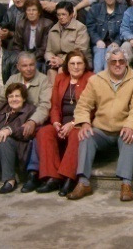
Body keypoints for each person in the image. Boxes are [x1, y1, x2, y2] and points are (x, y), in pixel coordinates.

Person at [67, 47, 133, 202]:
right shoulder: (96, 79)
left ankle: (126, 184)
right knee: (86, 136)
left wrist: (130, 125)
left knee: (130, 138)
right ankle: (83, 182)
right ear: (107, 62)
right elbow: (83, 105)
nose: (117, 64)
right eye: (113, 61)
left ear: (126, 62)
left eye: (121, 61)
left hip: (122, 129)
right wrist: (84, 123)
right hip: (101, 130)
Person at [34, 49, 94, 196]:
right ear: (67, 65)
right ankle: (53, 177)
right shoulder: (61, 78)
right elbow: (54, 105)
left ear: (85, 64)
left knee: (76, 135)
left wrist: (73, 123)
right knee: (44, 132)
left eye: (79, 63)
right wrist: (55, 123)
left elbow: (93, 108)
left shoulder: (91, 78)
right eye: (72, 63)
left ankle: (68, 178)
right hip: (61, 122)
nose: (76, 66)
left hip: (80, 122)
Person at [86, 0, 127, 73]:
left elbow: (124, 28)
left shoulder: (123, 9)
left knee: (108, 64)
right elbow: (90, 27)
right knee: (98, 65)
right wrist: (97, 40)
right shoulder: (95, 9)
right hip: (99, 42)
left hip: (114, 43)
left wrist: (117, 41)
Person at [45, 1, 90, 81]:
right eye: (58, 15)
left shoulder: (80, 28)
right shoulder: (53, 29)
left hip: (76, 61)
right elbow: (48, 51)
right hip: (57, 61)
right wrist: (51, 60)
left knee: (61, 71)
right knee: (51, 72)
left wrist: (62, 61)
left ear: (71, 14)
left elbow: (80, 51)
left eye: (63, 14)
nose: (61, 17)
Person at [12, 0, 53, 72]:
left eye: (34, 10)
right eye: (28, 10)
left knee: (33, 67)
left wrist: (30, 58)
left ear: (39, 12)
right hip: (24, 56)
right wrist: (22, 58)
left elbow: (44, 47)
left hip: (39, 58)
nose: (31, 13)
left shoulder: (47, 24)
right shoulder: (21, 24)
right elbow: (17, 45)